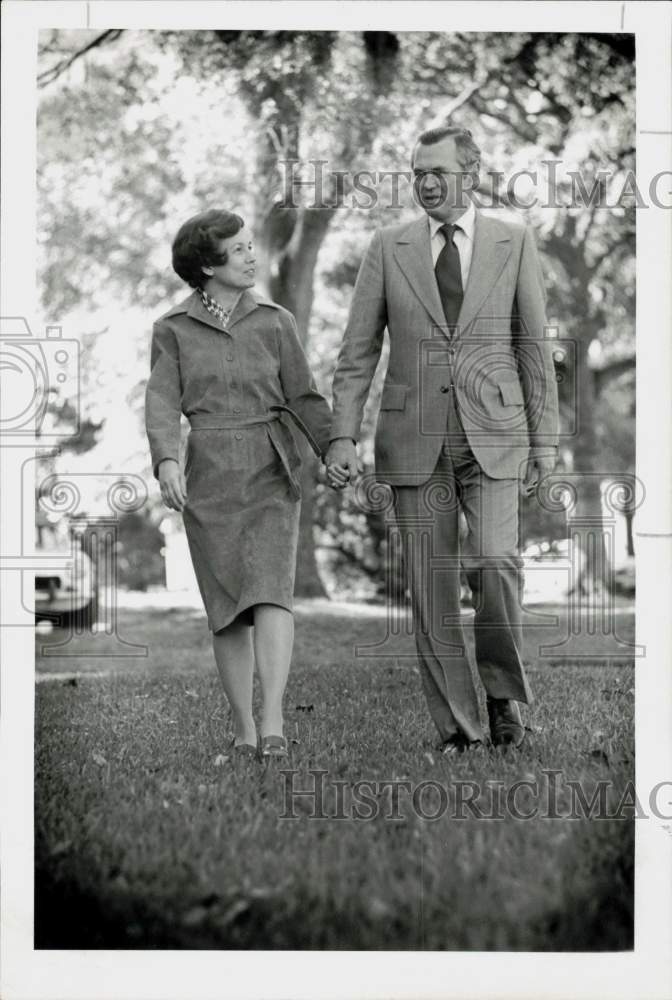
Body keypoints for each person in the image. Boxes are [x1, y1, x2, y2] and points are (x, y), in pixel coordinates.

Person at [326, 125, 559, 753]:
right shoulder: (388, 246)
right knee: (430, 586)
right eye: (417, 173)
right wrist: (342, 434)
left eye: (438, 171)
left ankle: (503, 696)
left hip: (498, 433)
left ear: (472, 170)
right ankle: (460, 724)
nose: (427, 183)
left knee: (494, 562)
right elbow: (357, 351)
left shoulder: (513, 240)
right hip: (411, 438)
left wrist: (546, 443)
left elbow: (534, 344)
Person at [145, 209, 333, 761]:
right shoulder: (172, 330)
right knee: (227, 608)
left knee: (273, 591)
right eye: (241, 250)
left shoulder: (277, 321)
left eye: (253, 246)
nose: (254, 256)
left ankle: (273, 717)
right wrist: (167, 463)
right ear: (208, 265)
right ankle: (243, 723)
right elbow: (160, 403)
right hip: (208, 475)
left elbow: (304, 395)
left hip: (272, 469)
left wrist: (332, 448)